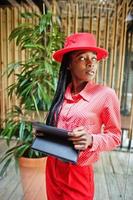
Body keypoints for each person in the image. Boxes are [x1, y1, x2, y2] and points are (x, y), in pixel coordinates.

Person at [45, 32, 121, 200]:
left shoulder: (105, 95)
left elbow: (115, 136)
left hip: (79, 172)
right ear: (68, 65)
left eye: (93, 58)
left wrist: (91, 140)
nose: (90, 64)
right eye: (82, 58)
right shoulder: (60, 95)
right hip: (53, 166)